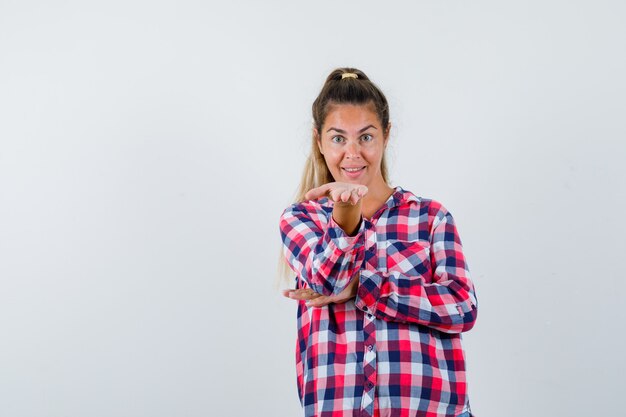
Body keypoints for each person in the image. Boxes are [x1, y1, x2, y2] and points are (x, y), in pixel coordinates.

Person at [278, 67, 478, 417]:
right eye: (339, 138)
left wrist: (364, 287)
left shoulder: (430, 217)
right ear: (319, 141)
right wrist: (345, 210)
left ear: (386, 135)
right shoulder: (301, 218)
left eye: (366, 137)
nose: (353, 153)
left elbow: (462, 306)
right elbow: (328, 281)